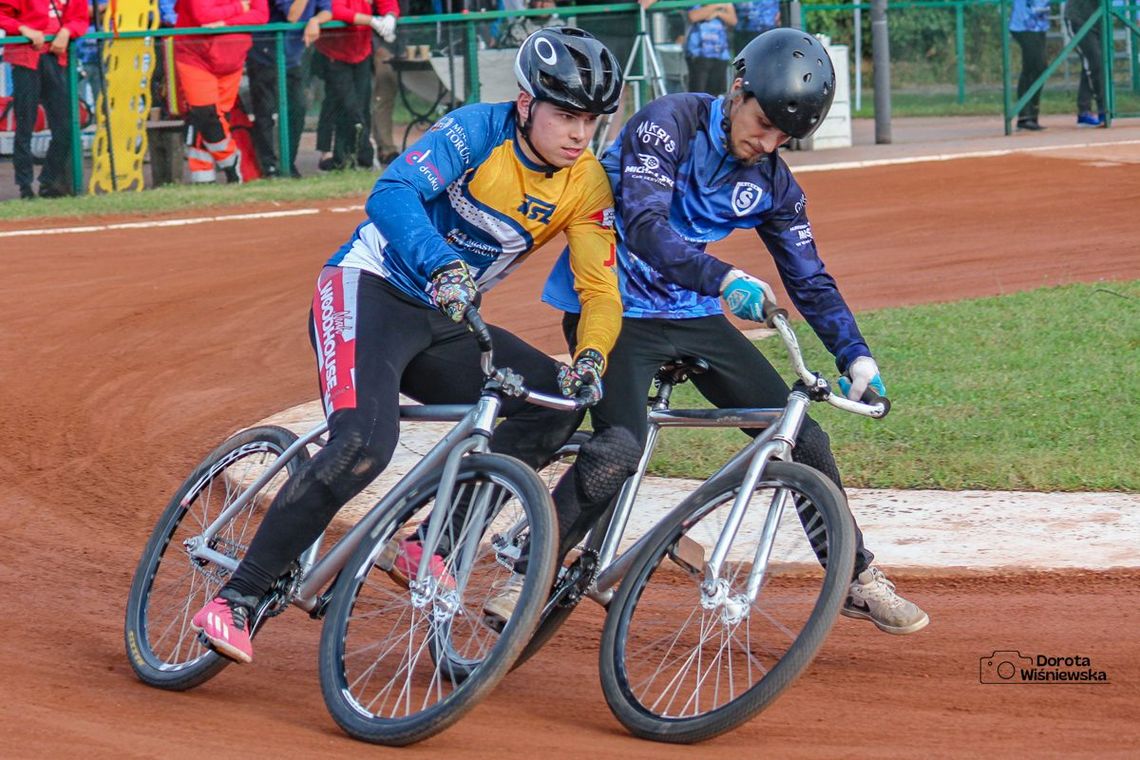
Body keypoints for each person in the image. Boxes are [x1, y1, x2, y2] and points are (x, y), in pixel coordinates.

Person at [189, 26, 625, 664]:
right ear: (528, 104)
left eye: (591, 120)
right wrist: (441, 263)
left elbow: (599, 287)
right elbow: (390, 193)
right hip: (369, 289)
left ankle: (434, 544)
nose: (580, 135)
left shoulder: (585, 182)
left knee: (554, 403)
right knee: (366, 441)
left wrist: (591, 356)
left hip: (445, 319)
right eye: (566, 116)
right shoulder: (475, 130)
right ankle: (239, 598)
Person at [488, 29, 930, 636]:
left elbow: (809, 279)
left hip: (693, 316)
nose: (767, 142)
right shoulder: (668, 123)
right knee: (619, 444)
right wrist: (722, 277)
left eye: (783, 136)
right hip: (613, 309)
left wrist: (856, 356)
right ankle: (527, 571)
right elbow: (641, 224)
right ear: (738, 86)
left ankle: (854, 575)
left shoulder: (772, 181)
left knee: (802, 435)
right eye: (763, 122)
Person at [0, 0, 90, 198]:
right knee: (25, 125)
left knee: (66, 125)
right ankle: (25, 187)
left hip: (56, 58)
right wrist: (24, 29)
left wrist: (66, 32)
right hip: (26, 57)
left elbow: (79, 18)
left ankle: (47, 181)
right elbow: (3, 13)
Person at [173, 0, 268, 183]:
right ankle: (230, 161)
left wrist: (226, 22)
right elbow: (204, 16)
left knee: (218, 117)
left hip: (232, 58)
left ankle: (203, 179)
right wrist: (240, 7)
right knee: (205, 113)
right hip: (195, 55)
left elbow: (261, 15)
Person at [304, 0, 397, 171]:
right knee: (347, 105)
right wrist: (371, 20)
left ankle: (347, 157)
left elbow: (387, 3)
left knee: (361, 105)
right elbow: (335, 10)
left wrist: (390, 16)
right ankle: (361, 154)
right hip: (334, 52)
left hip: (361, 51)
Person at [247, 0, 316, 178]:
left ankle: (288, 163)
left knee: (298, 108)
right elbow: (292, 15)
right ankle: (269, 166)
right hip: (264, 54)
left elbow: (327, 10)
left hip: (291, 58)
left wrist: (315, 20)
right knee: (265, 112)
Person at [1063, 0, 1106, 127]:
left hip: (1099, 20)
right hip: (1078, 19)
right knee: (1094, 61)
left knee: (1093, 64)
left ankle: (1086, 110)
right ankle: (1100, 109)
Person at [1009, 0, 1049, 131]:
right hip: (1024, 25)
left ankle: (1031, 115)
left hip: (1040, 24)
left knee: (1040, 68)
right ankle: (1025, 117)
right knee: (1033, 67)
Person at [683, 2, 735, 96]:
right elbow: (693, 16)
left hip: (720, 53)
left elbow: (733, 20)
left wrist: (717, 13)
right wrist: (717, 6)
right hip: (698, 54)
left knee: (716, 93)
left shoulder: (726, 3)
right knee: (697, 92)